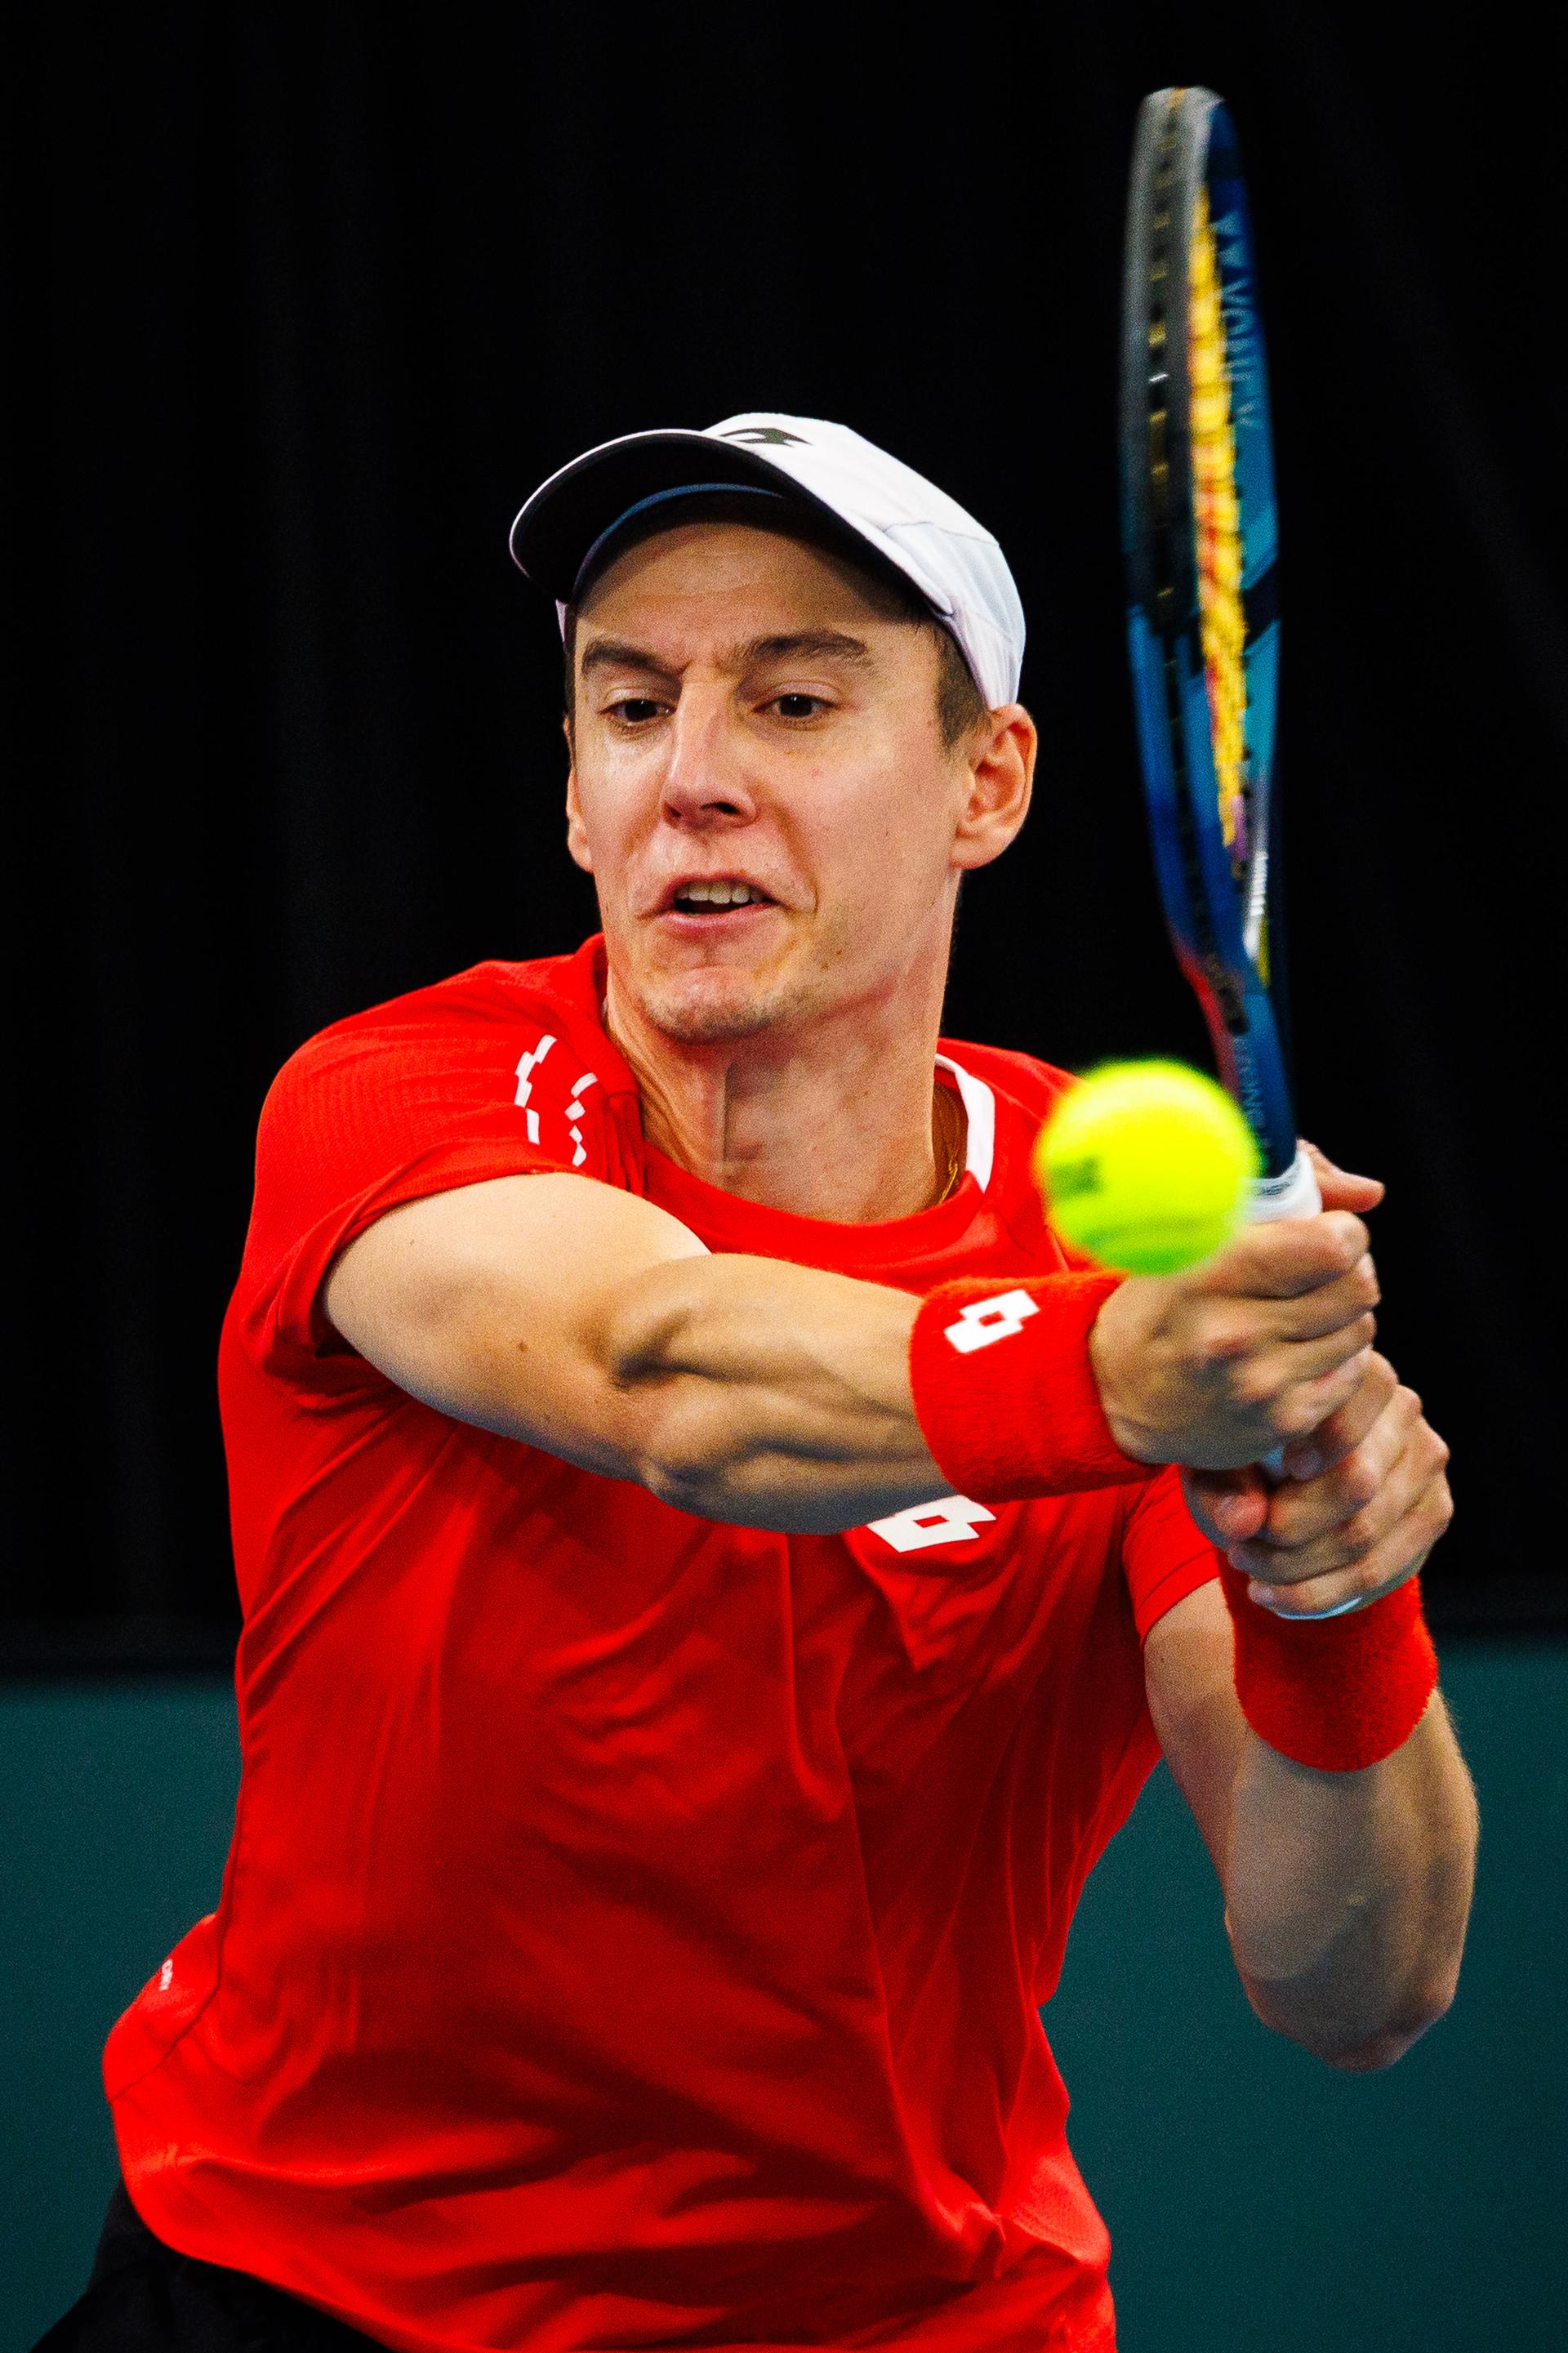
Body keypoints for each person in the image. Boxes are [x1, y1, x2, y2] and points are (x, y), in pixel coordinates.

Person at [41, 415, 1478, 2353]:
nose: (693, 777)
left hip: (917, 2320)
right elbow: (664, 1371)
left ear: (987, 781)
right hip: (309, 2296)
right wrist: (1119, 1371)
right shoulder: (400, 1094)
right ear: (575, 795)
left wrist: (1330, 1581)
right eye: (632, 708)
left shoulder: (1133, 1257)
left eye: (794, 702)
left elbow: (1357, 1984)